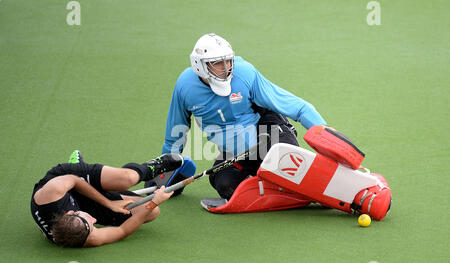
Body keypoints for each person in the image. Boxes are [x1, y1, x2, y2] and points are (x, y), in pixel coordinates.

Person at [162, 33, 327, 200]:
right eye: (218, 63)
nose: (226, 68)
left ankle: (303, 182)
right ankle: (270, 184)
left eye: (228, 61)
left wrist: (326, 137)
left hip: (268, 132)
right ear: (199, 65)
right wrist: (165, 171)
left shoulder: (245, 73)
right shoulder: (185, 86)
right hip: (235, 153)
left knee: (283, 159)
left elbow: (297, 107)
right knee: (224, 184)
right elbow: (176, 131)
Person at [31, 150, 183, 248]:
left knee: (128, 179)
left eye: (89, 219)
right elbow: (122, 231)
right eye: (92, 225)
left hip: (67, 179)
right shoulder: (80, 237)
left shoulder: (50, 195)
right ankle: (107, 185)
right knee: (152, 212)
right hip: (79, 202)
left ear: (71, 213)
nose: (94, 221)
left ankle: (150, 168)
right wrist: (154, 203)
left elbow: (75, 181)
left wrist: (109, 204)